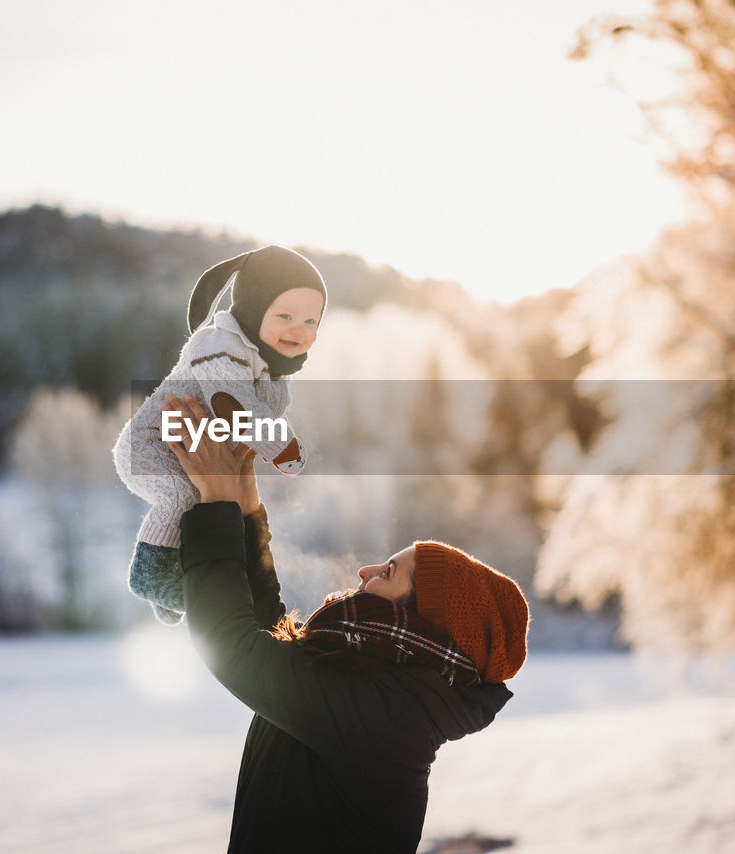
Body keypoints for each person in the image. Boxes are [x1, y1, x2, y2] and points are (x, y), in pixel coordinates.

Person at [163, 392, 530, 853]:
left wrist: (216, 500)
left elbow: (235, 647)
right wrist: (243, 504)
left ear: (420, 619)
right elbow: (274, 636)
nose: (366, 572)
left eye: (389, 572)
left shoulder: (387, 717)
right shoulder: (389, 694)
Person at [112, 245, 326, 623]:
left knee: (202, 504)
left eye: (311, 321)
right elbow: (231, 401)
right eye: (286, 315)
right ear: (252, 310)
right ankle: (152, 576)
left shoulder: (270, 371)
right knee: (184, 493)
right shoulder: (219, 345)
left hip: (193, 448)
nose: (299, 329)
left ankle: (171, 588)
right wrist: (284, 447)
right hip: (152, 444)